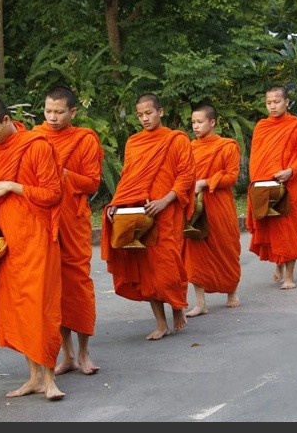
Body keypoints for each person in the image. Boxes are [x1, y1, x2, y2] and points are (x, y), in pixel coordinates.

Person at [0, 96, 65, 401]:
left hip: (37, 238)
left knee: (40, 306)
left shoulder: (36, 145)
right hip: (7, 238)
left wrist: (14, 187)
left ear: (8, 120)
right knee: (18, 307)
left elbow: (52, 193)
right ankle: (34, 377)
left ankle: (50, 379)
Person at [100, 93, 195, 340]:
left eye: (149, 113)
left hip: (166, 211)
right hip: (140, 213)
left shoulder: (176, 140)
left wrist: (164, 200)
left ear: (160, 112)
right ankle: (161, 323)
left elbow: (185, 175)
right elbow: (129, 178)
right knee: (146, 267)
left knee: (167, 264)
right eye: (140, 115)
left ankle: (177, 305)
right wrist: (116, 204)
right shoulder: (134, 142)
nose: (144, 118)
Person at [31, 86, 103, 376]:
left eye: (59, 112)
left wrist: (61, 174)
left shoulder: (84, 139)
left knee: (78, 285)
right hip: (45, 220)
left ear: (73, 112)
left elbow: (92, 183)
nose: (52, 117)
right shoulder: (35, 138)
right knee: (54, 288)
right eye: (48, 111)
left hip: (73, 219)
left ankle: (85, 353)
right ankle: (67, 354)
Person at [246, 85, 297, 290]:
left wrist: (291, 170)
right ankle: (278, 264)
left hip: (288, 183)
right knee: (273, 227)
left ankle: (289, 275)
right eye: (268, 103)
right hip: (265, 184)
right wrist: (255, 184)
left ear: (287, 102)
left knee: (290, 229)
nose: (272, 106)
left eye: (276, 102)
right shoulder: (262, 126)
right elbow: (255, 158)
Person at [183, 103, 242, 316]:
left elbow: (231, 176)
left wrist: (207, 182)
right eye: (193, 123)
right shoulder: (189, 148)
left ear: (212, 122)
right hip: (195, 205)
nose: (196, 127)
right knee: (195, 251)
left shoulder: (227, 146)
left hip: (219, 203)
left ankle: (231, 292)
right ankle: (200, 303)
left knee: (227, 247)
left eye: (200, 122)